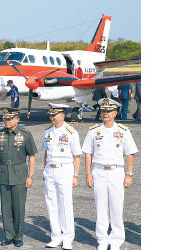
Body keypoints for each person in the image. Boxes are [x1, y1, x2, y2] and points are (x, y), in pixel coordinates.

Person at [82, 98, 138, 250]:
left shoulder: (123, 131)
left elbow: (130, 153)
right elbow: (88, 154)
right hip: (99, 171)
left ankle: (116, 239)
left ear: (115, 112)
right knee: (100, 207)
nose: (105, 113)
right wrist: (88, 174)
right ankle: (102, 239)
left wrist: (129, 174)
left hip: (116, 172)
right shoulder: (93, 131)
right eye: (103, 110)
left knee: (116, 207)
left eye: (108, 111)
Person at [0, 107, 37, 247]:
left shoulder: (25, 134)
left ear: (17, 119)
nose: (6, 121)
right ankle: (8, 235)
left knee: (18, 207)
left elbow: (32, 156)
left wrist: (30, 175)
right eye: (5, 118)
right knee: (6, 207)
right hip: (4, 173)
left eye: (9, 118)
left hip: (20, 174)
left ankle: (18, 236)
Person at [42, 103, 82, 250]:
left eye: (55, 114)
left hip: (65, 170)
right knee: (51, 203)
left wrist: (75, 175)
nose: (52, 117)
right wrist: (44, 170)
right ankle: (55, 236)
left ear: (63, 115)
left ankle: (68, 237)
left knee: (65, 204)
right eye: (51, 115)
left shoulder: (71, 132)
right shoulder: (47, 132)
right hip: (50, 170)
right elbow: (46, 153)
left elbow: (77, 156)